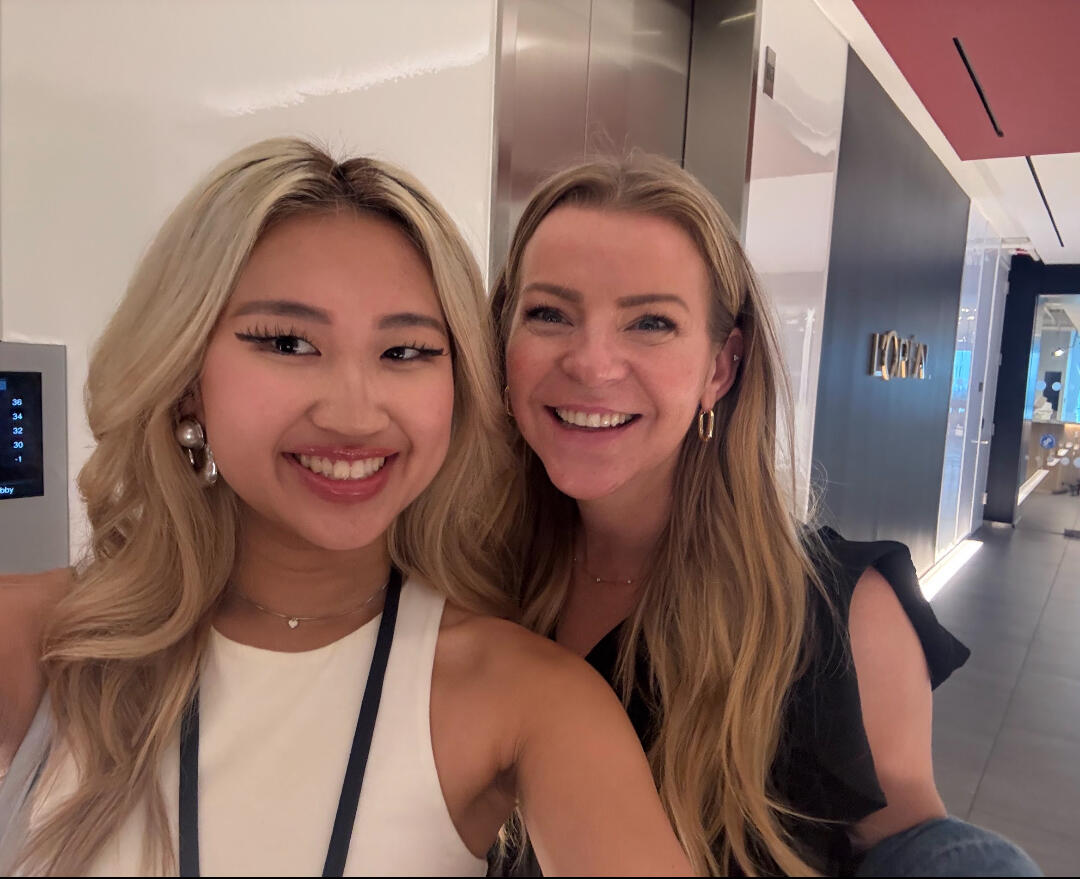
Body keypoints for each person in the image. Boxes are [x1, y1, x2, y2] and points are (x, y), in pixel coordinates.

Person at [0, 138, 693, 877]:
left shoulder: (529, 699)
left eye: (406, 352)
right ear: (186, 377)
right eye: (289, 342)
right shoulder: (40, 640)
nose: (355, 413)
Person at [488, 154, 1042, 876]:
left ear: (720, 367)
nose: (592, 363)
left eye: (651, 322)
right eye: (549, 314)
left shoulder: (836, 613)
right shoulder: (467, 572)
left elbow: (918, 849)